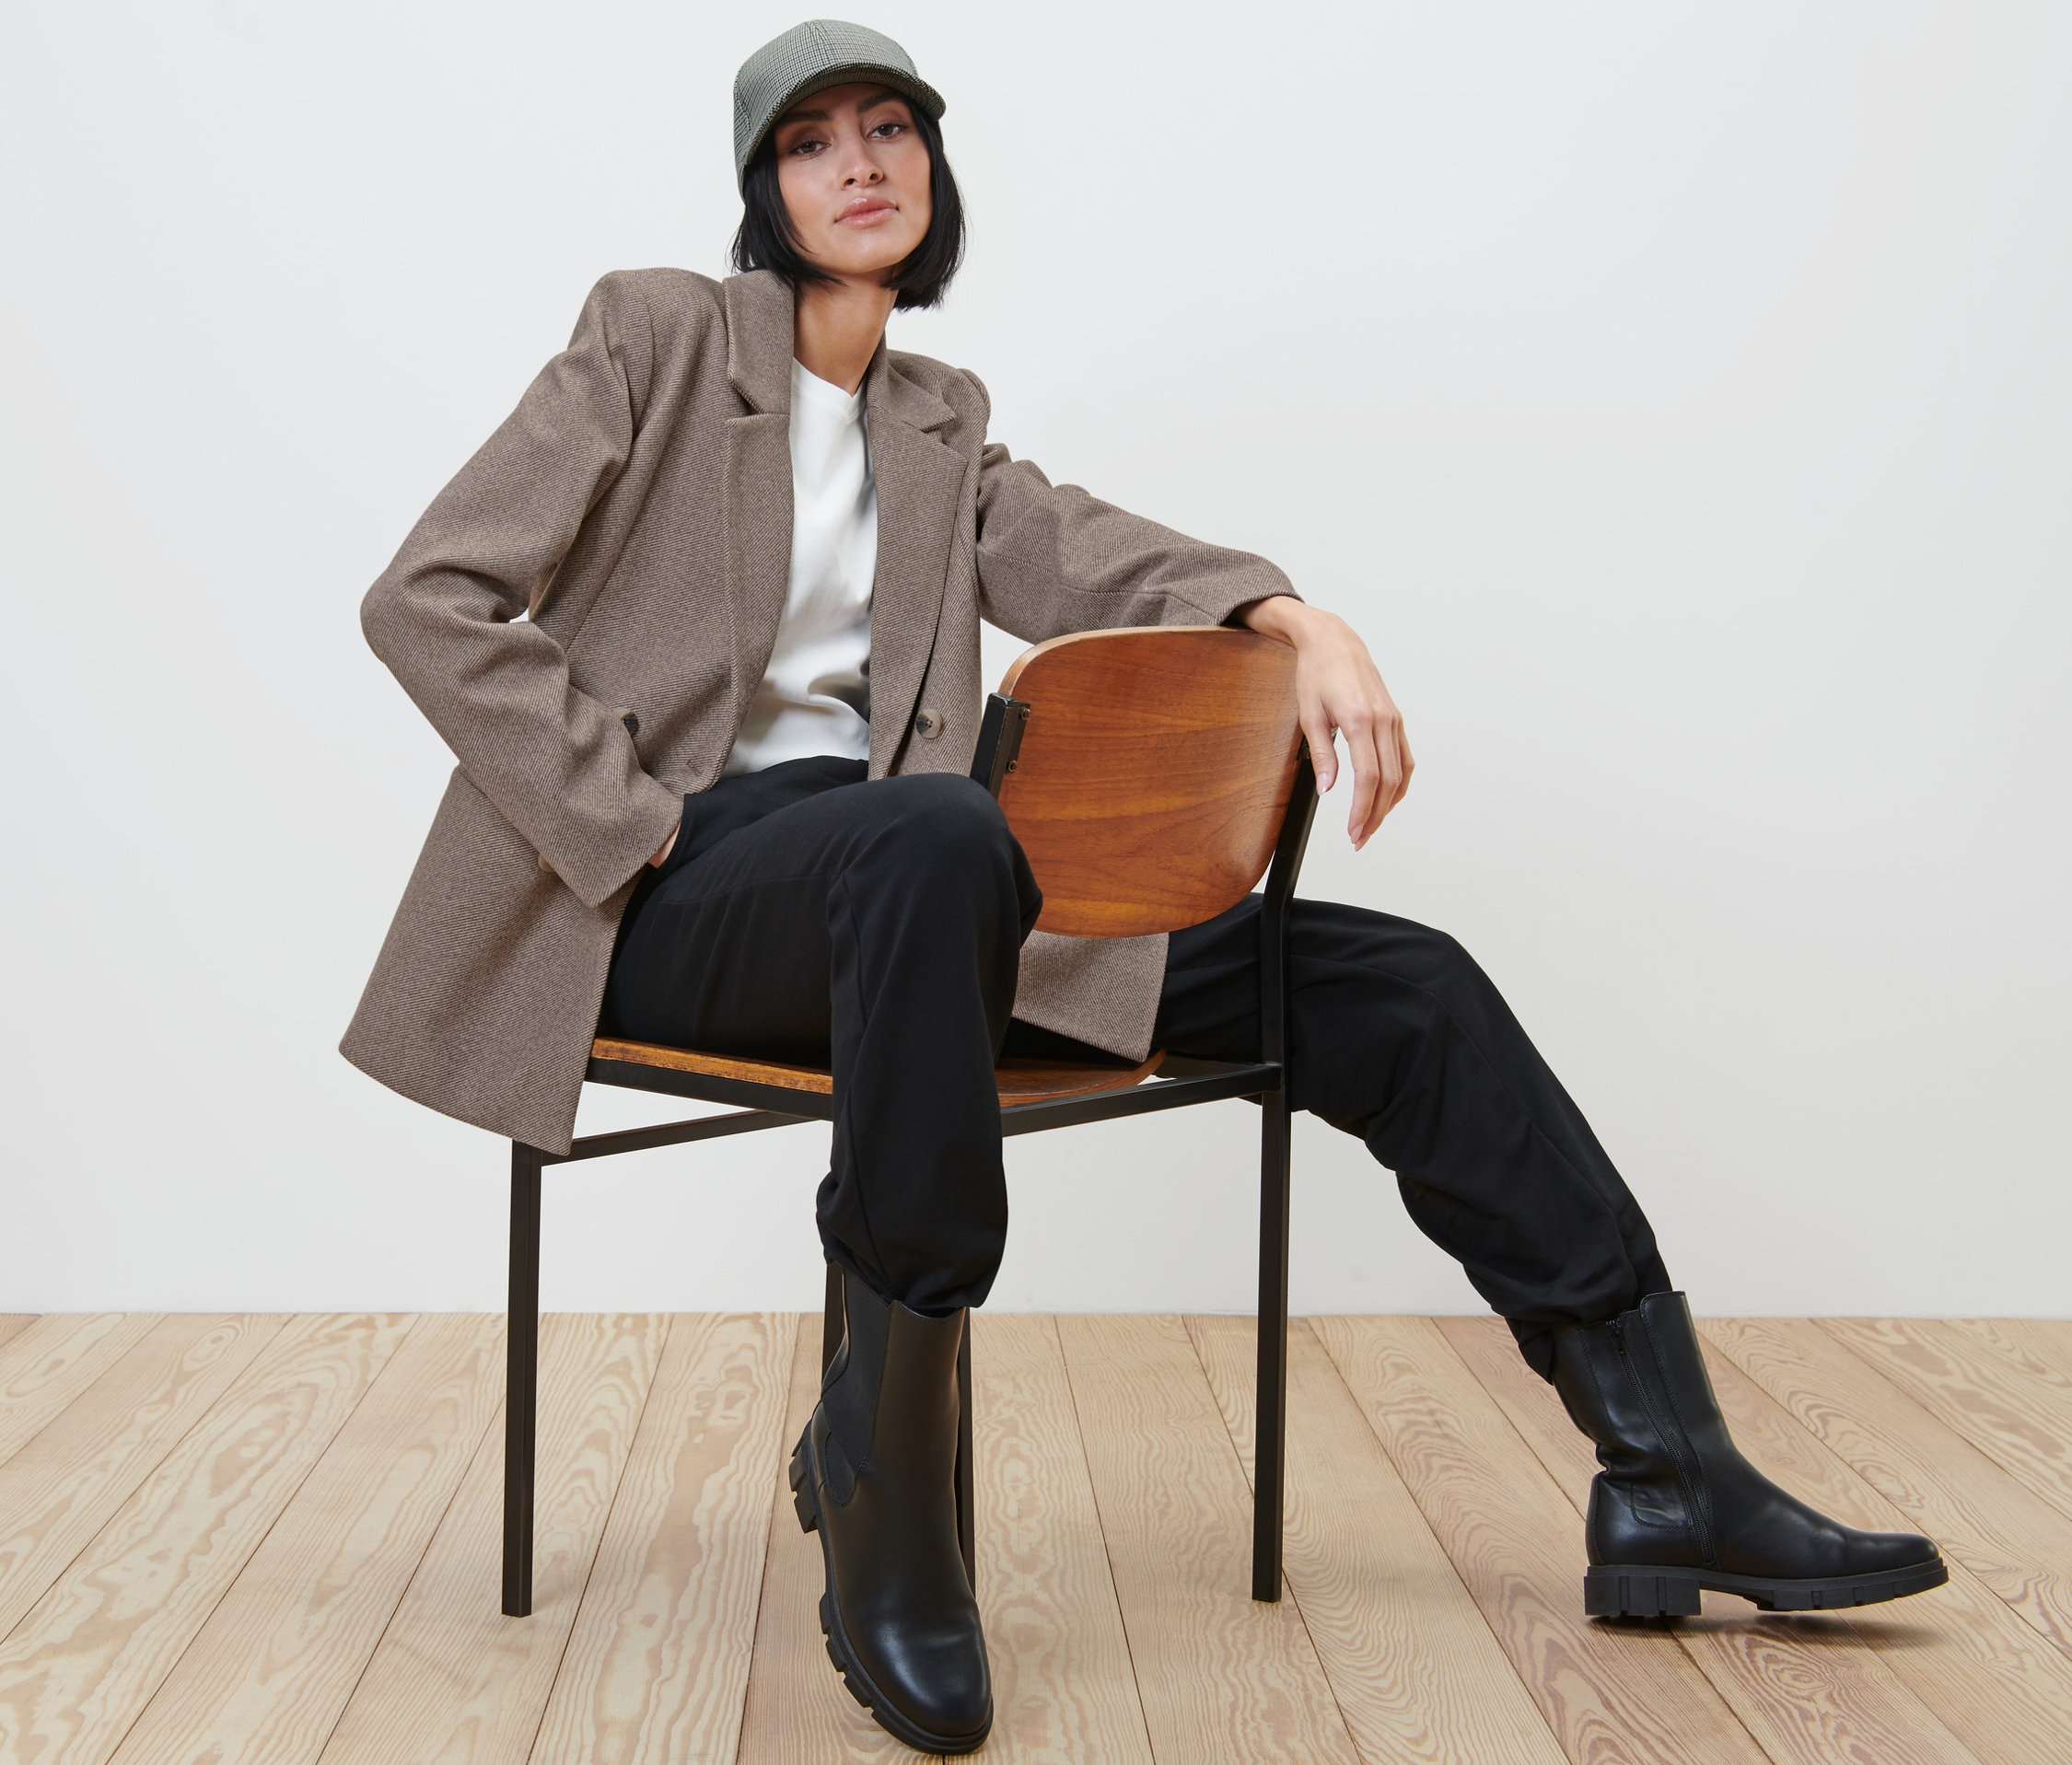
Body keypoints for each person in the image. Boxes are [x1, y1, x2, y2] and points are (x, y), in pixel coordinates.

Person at [343, 19, 1948, 1757]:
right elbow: (427, 595)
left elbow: (1095, 549)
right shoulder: (651, 337)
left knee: (1386, 982)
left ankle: (1664, 1461)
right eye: (812, 143)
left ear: (934, 174)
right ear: (763, 188)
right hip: (669, 900)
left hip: (911, 896)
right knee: (946, 830)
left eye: (891, 130)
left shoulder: (936, 419)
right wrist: (633, 821)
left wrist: (1291, 614)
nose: (861, 164)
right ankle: (890, 1481)